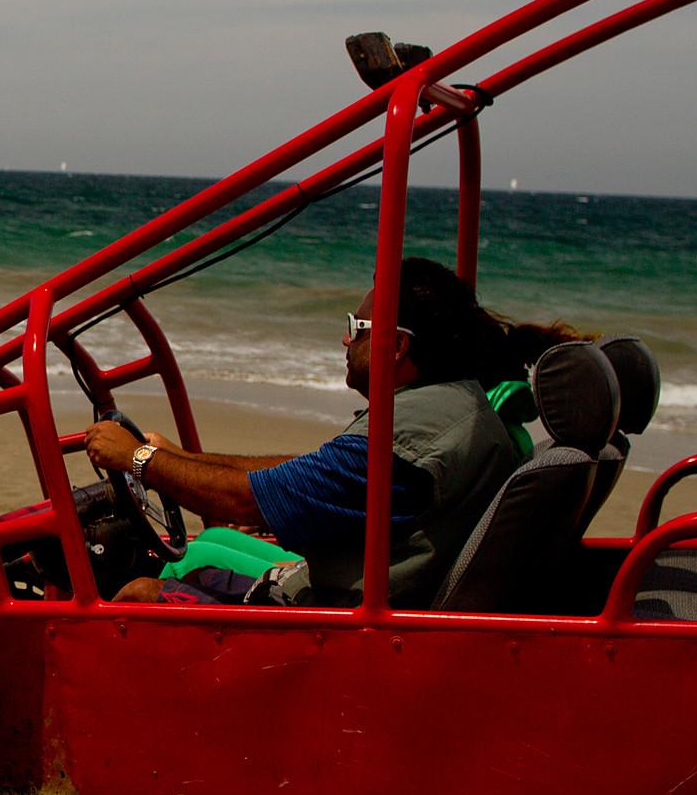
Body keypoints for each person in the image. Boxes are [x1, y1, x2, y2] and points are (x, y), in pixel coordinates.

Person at [85, 257, 587, 608]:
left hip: (337, 618)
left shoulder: (407, 442)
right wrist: (178, 460)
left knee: (136, 596)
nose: (346, 339)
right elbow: (301, 475)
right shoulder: (448, 404)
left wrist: (141, 462)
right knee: (207, 548)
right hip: (361, 593)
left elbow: (248, 502)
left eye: (358, 326)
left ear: (395, 346)